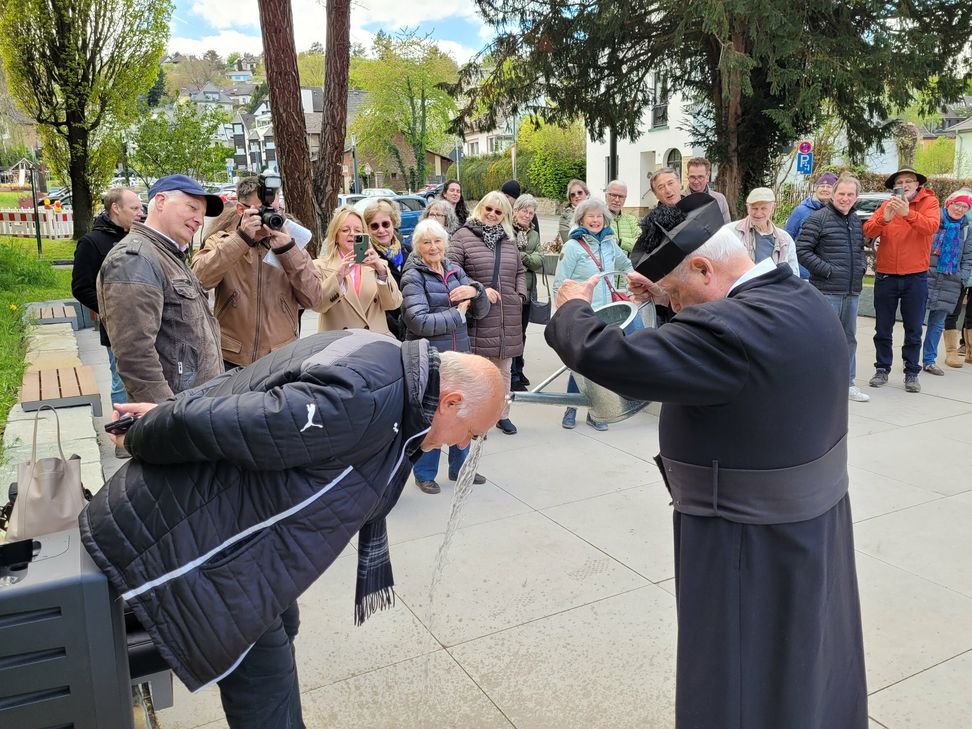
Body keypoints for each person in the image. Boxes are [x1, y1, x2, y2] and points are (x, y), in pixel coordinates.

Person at [546, 194, 867, 729]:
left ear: (703, 267)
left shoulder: (728, 331)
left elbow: (611, 356)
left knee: (735, 679)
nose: (674, 309)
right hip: (812, 527)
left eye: (676, 295)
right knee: (810, 664)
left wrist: (570, 307)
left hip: (746, 540)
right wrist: (665, 288)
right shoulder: (797, 297)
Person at [79, 330, 507, 729]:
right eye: (470, 433)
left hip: (240, 542)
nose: (464, 445)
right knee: (269, 688)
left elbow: (247, 387)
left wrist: (164, 410)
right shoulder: (365, 397)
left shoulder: (386, 363)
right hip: (214, 548)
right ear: (449, 401)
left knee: (285, 628)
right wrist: (145, 432)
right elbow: (233, 422)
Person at [97, 175, 224, 405]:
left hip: (194, 409)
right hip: (175, 416)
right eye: (192, 207)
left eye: (202, 215)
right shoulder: (135, 260)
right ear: (162, 202)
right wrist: (165, 419)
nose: (199, 220)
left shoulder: (167, 254)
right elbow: (135, 355)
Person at [191, 176, 322, 371]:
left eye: (276, 211)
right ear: (241, 210)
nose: (270, 217)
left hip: (280, 358)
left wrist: (288, 252)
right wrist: (241, 239)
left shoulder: (290, 244)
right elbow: (198, 281)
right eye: (262, 211)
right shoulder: (222, 241)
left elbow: (315, 299)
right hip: (231, 358)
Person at [400, 219, 491, 493]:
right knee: (433, 416)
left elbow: (482, 311)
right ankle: (425, 472)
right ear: (417, 246)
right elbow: (418, 321)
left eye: (438, 241)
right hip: (430, 359)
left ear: (445, 244)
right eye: (426, 242)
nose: (433, 247)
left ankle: (460, 468)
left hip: (460, 356)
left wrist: (476, 291)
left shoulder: (454, 270)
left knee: (462, 413)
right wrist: (457, 314)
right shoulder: (412, 276)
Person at [449, 191, 526, 435]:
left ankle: (502, 414)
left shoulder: (509, 240)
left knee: (504, 370)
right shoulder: (463, 236)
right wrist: (478, 289)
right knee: (478, 371)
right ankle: (475, 417)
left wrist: (520, 295)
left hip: (508, 315)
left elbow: (520, 271)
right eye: (488, 209)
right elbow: (452, 271)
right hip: (480, 314)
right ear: (480, 207)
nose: (492, 214)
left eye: (498, 211)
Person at [554, 197, 633, 431]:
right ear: (581, 219)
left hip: (608, 313)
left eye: (599, 216)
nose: (596, 220)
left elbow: (626, 265)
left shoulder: (609, 243)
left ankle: (596, 412)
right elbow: (561, 283)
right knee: (578, 362)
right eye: (591, 216)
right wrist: (564, 313)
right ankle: (571, 408)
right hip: (583, 313)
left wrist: (632, 285)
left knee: (600, 363)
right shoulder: (572, 247)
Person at [864, 166, 939, 393]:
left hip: (915, 276)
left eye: (909, 180)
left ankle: (911, 372)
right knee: (883, 327)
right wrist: (884, 220)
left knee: (914, 327)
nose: (904, 185)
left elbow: (930, 227)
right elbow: (868, 231)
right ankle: (882, 368)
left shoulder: (930, 203)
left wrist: (908, 214)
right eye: (900, 182)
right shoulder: (887, 205)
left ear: (918, 185)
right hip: (886, 275)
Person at [796, 175, 869, 401]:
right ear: (834, 194)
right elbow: (803, 251)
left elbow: (859, 250)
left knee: (849, 338)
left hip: (851, 290)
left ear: (856, 197)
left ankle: (847, 383)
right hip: (827, 291)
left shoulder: (856, 220)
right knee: (823, 338)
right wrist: (827, 270)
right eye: (841, 194)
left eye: (850, 195)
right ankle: (818, 383)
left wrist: (861, 268)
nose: (845, 198)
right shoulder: (818, 219)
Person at [71, 187, 143, 409]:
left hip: (149, 324)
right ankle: (122, 439)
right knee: (121, 383)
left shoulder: (139, 237)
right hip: (117, 328)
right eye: (134, 208)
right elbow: (81, 287)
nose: (140, 213)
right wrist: (111, 310)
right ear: (115, 208)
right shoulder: (91, 243)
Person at [311, 205, 402, 336]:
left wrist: (381, 272)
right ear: (335, 235)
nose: (352, 234)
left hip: (376, 343)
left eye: (358, 230)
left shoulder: (379, 265)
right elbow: (318, 306)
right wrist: (338, 276)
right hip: (337, 344)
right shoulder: (319, 266)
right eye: (345, 230)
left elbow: (394, 304)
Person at [920, 192, 972, 375]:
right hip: (926, 276)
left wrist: (962, 277)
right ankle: (910, 360)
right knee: (915, 322)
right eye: (956, 204)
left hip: (950, 280)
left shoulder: (966, 229)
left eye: (964, 207)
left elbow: (967, 257)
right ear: (948, 204)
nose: (959, 209)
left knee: (937, 323)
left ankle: (929, 360)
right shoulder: (934, 221)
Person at [723, 187, 800, 276]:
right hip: (743, 288)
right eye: (754, 208)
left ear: (773, 208)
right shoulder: (730, 232)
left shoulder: (785, 239)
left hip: (774, 288)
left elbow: (794, 274)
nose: (758, 214)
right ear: (747, 207)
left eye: (763, 208)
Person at [510, 194, 544, 392]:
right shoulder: (507, 230)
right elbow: (509, 259)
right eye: (524, 211)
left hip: (529, 291)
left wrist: (522, 256)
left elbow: (540, 261)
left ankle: (519, 370)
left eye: (531, 213)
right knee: (512, 334)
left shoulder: (533, 234)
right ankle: (512, 374)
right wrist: (528, 258)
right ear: (516, 210)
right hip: (512, 291)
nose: (528, 215)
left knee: (521, 334)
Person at [362, 198, 409, 338]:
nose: (381, 230)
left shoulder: (410, 252)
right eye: (374, 226)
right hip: (384, 329)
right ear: (368, 229)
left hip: (412, 325)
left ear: (393, 224)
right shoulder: (366, 259)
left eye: (385, 224)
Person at [784, 171, 837, 242]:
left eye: (829, 187)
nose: (825, 189)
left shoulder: (837, 211)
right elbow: (788, 236)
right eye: (821, 186)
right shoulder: (800, 210)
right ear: (816, 189)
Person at [684, 157, 731, 223]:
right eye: (692, 177)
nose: (696, 181)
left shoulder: (720, 199)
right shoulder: (678, 199)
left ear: (708, 176)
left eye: (700, 177)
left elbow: (726, 228)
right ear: (687, 175)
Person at [604, 180, 641, 254]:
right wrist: (630, 243)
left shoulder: (631, 220)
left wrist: (620, 242)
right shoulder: (599, 219)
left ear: (625, 199)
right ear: (606, 196)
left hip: (629, 265)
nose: (617, 200)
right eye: (613, 195)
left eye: (621, 196)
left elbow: (640, 245)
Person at [559, 178, 590, 245]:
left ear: (586, 193)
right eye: (573, 195)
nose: (577, 196)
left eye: (579, 192)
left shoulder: (596, 211)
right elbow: (569, 242)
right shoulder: (565, 217)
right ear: (570, 199)